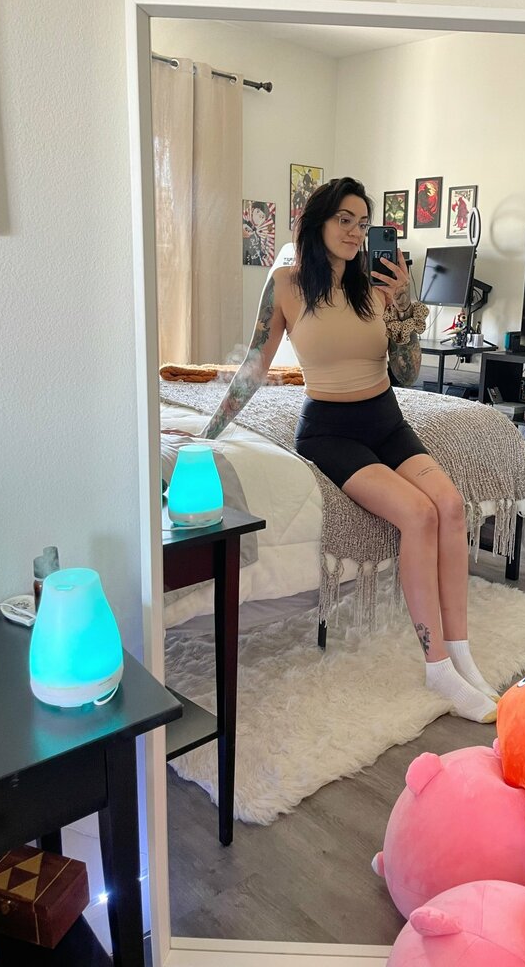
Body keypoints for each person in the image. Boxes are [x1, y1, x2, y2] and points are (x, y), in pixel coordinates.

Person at [203, 176, 498, 723]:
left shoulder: (373, 286)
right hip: (330, 431)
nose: (355, 232)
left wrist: (403, 304)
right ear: (318, 221)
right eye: (345, 219)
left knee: (451, 506)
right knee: (418, 514)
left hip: (386, 420)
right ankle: (436, 667)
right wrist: (209, 434)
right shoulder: (287, 284)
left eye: (362, 223)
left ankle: (462, 655)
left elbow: (406, 373)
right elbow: (253, 367)